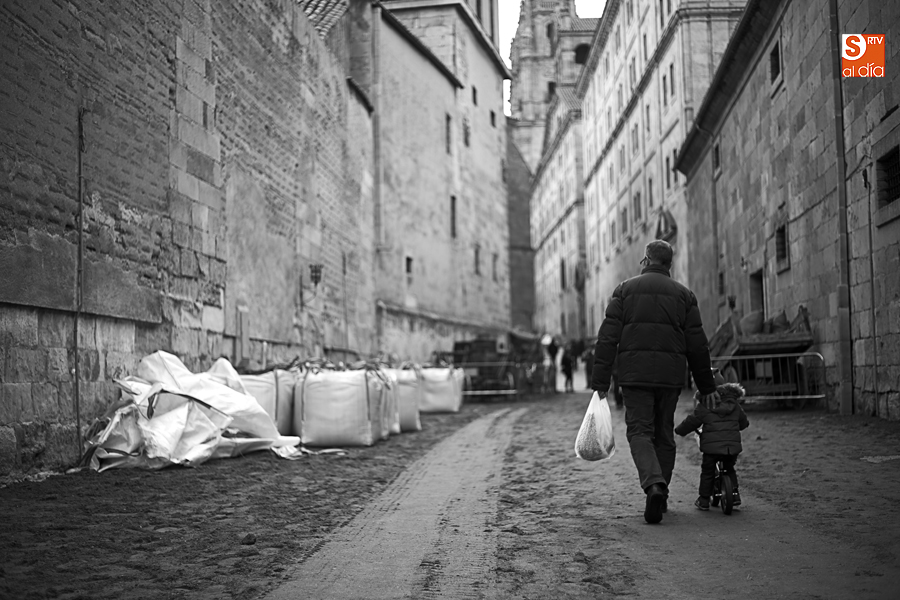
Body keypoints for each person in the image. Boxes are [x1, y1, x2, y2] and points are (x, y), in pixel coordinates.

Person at [590, 239, 720, 524]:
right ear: (669, 265)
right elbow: (698, 345)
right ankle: (662, 491)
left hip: (635, 377)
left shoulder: (624, 291)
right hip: (671, 378)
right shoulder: (685, 296)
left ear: (646, 260)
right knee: (663, 433)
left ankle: (654, 485)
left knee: (639, 432)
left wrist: (601, 383)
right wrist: (706, 386)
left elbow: (607, 339)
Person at [675, 382, 750, 510]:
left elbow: (691, 422)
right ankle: (735, 495)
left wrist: (679, 431)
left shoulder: (705, 405)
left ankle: (704, 499)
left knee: (708, 471)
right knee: (729, 468)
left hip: (711, 449)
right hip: (730, 448)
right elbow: (744, 423)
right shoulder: (735, 405)